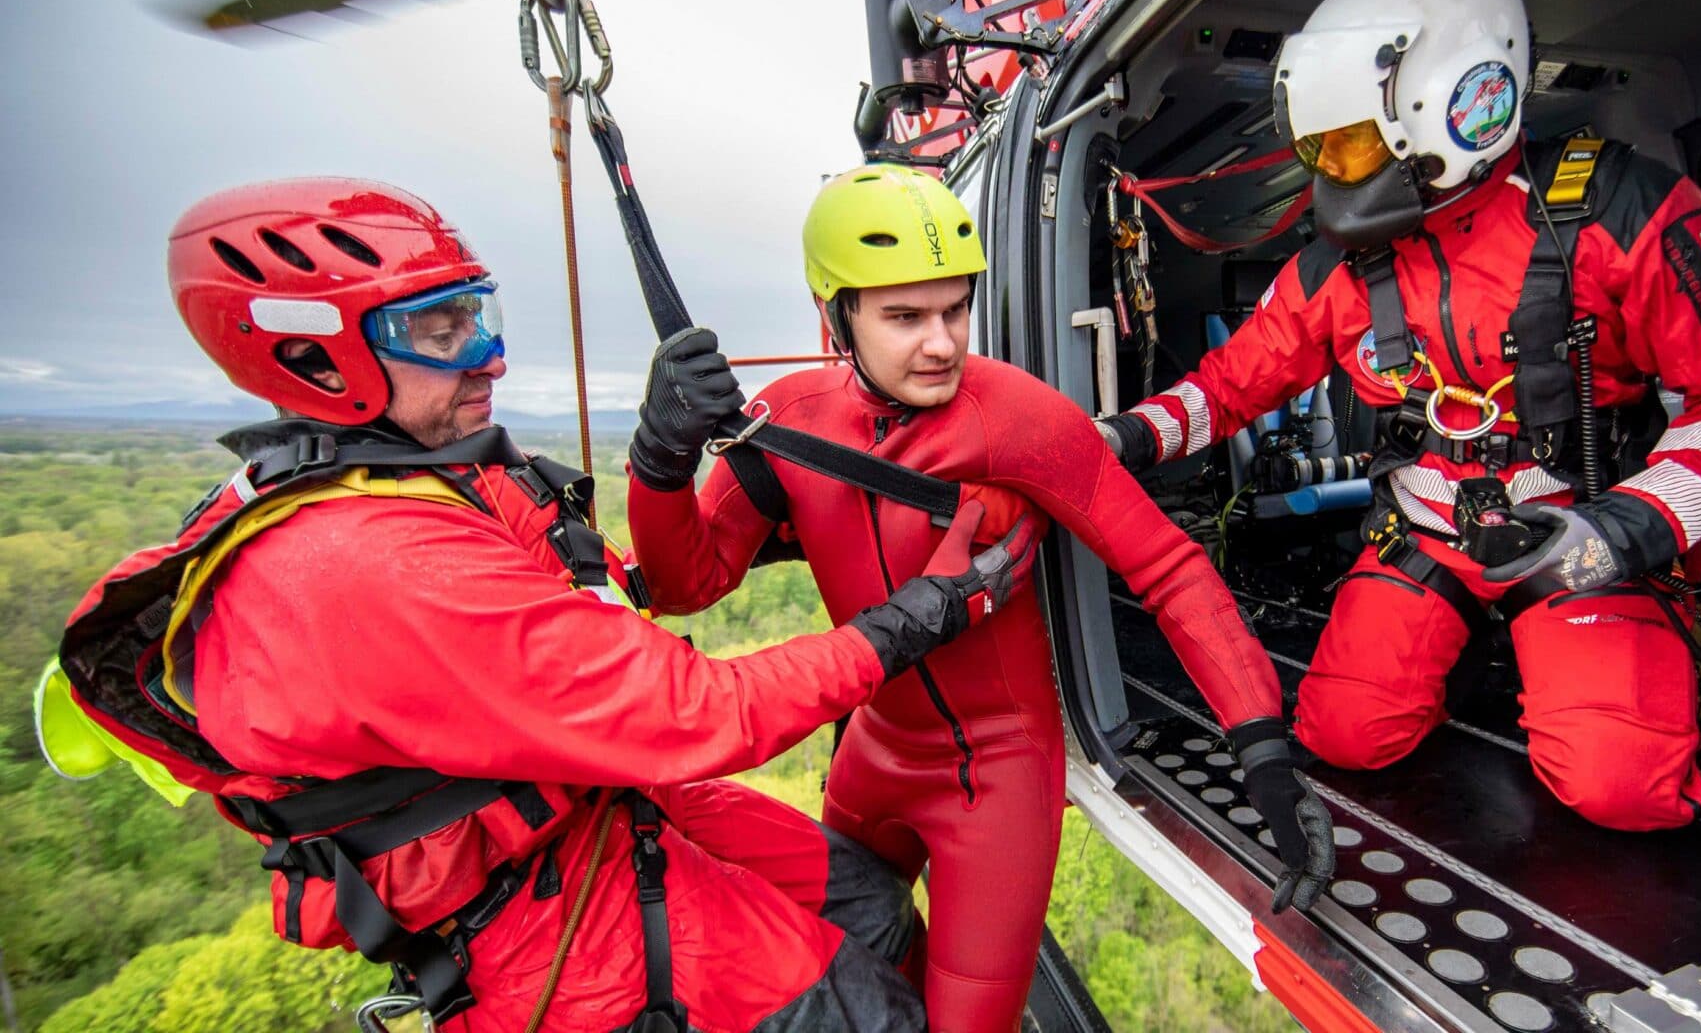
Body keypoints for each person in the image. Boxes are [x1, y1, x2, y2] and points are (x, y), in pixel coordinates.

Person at [48, 178, 1041, 1032]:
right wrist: (917, 617)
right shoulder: (369, 562)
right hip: (550, 921)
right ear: (311, 361)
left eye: (476, 313)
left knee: (867, 907)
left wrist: (663, 460)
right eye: (437, 332)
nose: (486, 355)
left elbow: (624, 595)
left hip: (594, 812)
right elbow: (700, 713)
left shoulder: (419, 478)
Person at [1096, 0, 1701, 831]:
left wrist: (1633, 528)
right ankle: (1470, 655)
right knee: (1342, 737)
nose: (1336, 174)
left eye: (1354, 146)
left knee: (1624, 793)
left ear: (1454, 105)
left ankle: (1561, 651)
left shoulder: (1619, 210)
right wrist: (1123, 439)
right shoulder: (1336, 270)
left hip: (1579, 536)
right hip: (1426, 534)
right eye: (1323, 148)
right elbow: (1228, 388)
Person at [626, 164, 1334, 1032]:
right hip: (871, 754)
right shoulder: (789, 419)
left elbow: (1171, 568)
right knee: (860, 969)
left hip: (994, 781)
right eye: (904, 317)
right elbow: (684, 583)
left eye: (955, 310)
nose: (942, 344)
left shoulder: (1020, 418)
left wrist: (1262, 748)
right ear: (834, 316)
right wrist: (658, 463)